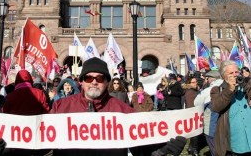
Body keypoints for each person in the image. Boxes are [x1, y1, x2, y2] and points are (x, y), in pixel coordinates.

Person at [51, 57, 186, 156]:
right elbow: (40, 141)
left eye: (99, 78)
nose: (94, 82)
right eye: (88, 78)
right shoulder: (61, 107)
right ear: (81, 81)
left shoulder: (123, 111)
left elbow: (140, 147)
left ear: (107, 82)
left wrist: (162, 148)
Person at [211, 60, 251, 156]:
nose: (235, 75)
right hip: (234, 141)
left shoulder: (247, 86)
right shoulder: (217, 89)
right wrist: (229, 89)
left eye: (236, 72)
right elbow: (216, 107)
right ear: (224, 76)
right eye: (231, 73)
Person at [194, 69, 223, 156]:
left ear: (211, 78)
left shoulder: (208, 90)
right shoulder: (226, 88)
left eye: (207, 78)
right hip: (224, 125)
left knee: (214, 148)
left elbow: (196, 102)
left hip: (212, 124)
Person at [182, 76, 200, 156]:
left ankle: (191, 148)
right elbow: (190, 105)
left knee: (195, 133)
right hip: (193, 114)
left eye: (196, 82)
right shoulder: (190, 92)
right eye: (193, 82)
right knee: (195, 133)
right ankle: (194, 149)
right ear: (189, 83)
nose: (195, 83)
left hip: (195, 113)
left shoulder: (194, 90)